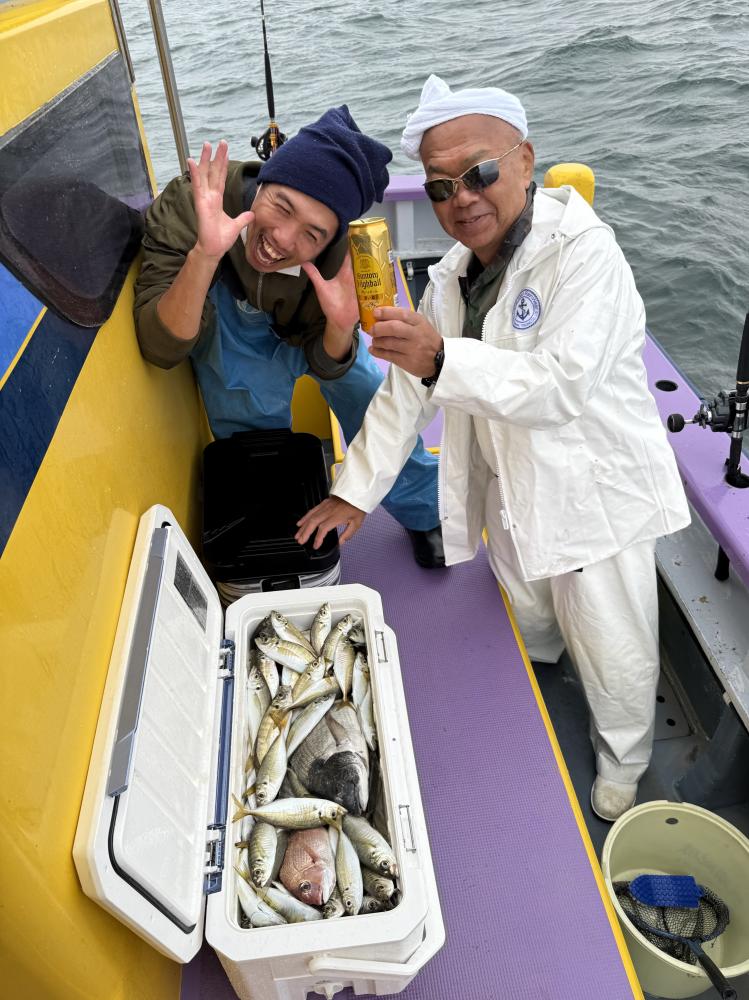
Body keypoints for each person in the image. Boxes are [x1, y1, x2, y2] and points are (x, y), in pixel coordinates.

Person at [296, 76, 691, 821]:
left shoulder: (587, 256)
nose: (462, 198)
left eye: (478, 172)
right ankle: (536, 670)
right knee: (531, 612)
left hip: (592, 496)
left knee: (611, 642)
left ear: (524, 161)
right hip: (508, 490)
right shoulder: (450, 275)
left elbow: (559, 387)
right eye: (440, 186)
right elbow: (407, 393)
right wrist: (353, 491)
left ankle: (624, 762)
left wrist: (441, 357)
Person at [133, 105, 443, 568]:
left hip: (307, 328)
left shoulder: (341, 259)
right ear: (264, 181)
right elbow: (160, 347)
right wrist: (205, 254)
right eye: (281, 206)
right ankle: (273, 527)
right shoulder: (194, 203)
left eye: (312, 234)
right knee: (247, 411)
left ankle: (425, 512)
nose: (281, 238)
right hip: (229, 317)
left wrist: (340, 325)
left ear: (330, 240)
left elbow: (328, 364)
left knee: (367, 395)